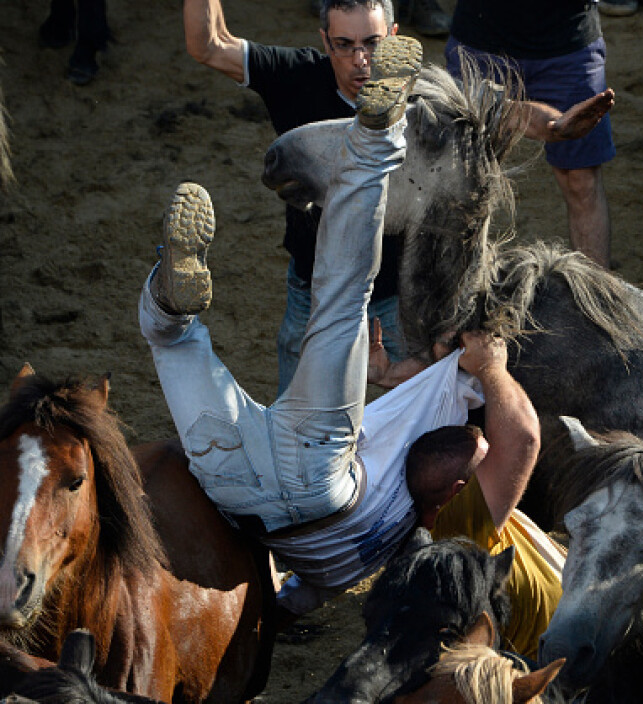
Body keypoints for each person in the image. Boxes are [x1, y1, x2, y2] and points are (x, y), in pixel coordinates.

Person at [139, 36, 484, 623]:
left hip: (323, 469)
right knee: (170, 339)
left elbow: (471, 379)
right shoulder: (371, 555)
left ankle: (375, 137)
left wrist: (422, 371)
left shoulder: (434, 444)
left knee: (342, 297)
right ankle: (167, 307)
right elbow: (292, 603)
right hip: (239, 489)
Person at [183, 0, 616, 394]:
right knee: (296, 409)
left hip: (394, 297)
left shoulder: (420, 94)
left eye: (372, 43)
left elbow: (507, 113)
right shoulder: (295, 75)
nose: (360, 60)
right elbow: (209, 45)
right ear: (324, 42)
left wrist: (557, 126)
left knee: (415, 415)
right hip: (313, 288)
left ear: (392, 38)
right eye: (343, 45)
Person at [405, 340, 565, 660]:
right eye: (485, 461)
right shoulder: (460, 531)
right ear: (458, 493)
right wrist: (491, 367)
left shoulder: (439, 504)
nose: (495, 461)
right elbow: (523, 437)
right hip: (552, 670)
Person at [446, 0, 616, 268]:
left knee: (581, 181)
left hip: (568, 42)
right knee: (464, 182)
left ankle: (594, 303)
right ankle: (456, 299)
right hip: (481, 44)